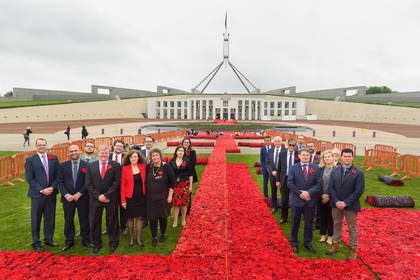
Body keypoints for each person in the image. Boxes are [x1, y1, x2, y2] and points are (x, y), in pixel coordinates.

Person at [326, 148, 365, 260]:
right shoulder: (335, 171)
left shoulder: (358, 173)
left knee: (352, 228)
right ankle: (336, 245)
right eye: (345, 156)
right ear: (341, 157)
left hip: (351, 205)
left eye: (349, 156)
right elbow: (331, 187)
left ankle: (353, 249)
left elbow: (359, 191)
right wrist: (337, 201)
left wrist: (346, 202)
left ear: (353, 157)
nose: (347, 158)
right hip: (336, 204)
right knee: (336, 225)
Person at [25, 138, 60, 252]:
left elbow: (57, 175)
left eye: (43, 145)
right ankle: (35, 242)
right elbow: (29, 178)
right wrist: (41, 190)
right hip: (37, 195)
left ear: (46, 146)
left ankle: (48, 239)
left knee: (50, 218)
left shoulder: (53, 158)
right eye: (39, 145)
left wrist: (52, 187)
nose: (42, 147)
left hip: (51, 193)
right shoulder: (30, 159)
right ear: (35, 146)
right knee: (36, 219)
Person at [85, 145, 121, 254]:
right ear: (98, 153)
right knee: (95, 222)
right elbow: (88, 183)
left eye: (106, 153)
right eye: (102, 153)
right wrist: (98, 196)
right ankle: (97, 243)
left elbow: (116, 182)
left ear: (109, 153)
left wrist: (106, 195)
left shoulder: (115, 165)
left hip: (111, 199)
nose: (104, 155)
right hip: (95, 199)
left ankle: (114, 242)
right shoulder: (91, 166)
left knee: (112, 221)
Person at [57, 145, 93, 251]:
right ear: (68, 153)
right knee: (68, 220)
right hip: (68, 199)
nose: (73, 153)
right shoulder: (62, 166)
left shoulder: (86, 165)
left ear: (80, 151)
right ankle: (69, 241)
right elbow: (60, 181)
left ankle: (86, 240)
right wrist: (66, 194)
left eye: (75, 151)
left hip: (82, 198)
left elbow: (88, 181)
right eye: (71, 151)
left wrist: (80, 193)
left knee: (84, 220)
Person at [287, 147, 322, 254]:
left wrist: (308, 193)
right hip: (297, 199)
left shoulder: (316, 168)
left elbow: (319, 184)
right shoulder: (293, 167)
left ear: (310, 156)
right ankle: (294, 242)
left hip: (310, 200)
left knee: (308, 223)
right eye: (303, 155)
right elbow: (290, 183)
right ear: (299, 156)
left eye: (307, 155)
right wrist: (301, 193)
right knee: (295, 222)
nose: (305, 157)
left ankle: (307, 243)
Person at [146, 148, 175, 247]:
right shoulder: (148, 167)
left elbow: (172, 181)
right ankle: (154, 237)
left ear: (160, 156)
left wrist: (170, 195)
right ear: (151, 157)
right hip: (151, 198)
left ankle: (163, 234)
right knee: (153, 219)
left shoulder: (166, 167)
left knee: (163, 217)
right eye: (153, 156)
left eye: (157, 155)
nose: (155, 157)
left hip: (164, 197)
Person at [120, 150, 147, 247]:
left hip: (141, 197)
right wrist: (123, 200)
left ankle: (138, 239)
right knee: (130, 218)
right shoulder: (125, 169)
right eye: (132, 157)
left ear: (138, 157)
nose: (134, 159)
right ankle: (131, 238)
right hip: (129, 198)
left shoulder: (143, 167)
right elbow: (122, 185)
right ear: (128, 158)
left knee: (139, 217)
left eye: (135, 157)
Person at [276, 138, 300, 224]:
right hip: (284, 180)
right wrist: (278, 180)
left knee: (295, 200)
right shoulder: (282, 154)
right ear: (287, 145)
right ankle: (284, 217)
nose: (291, 146)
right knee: (284, 200)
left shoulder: (299, 154)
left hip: (295, 181)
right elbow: (279, 169)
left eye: (293, 145)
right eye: (290, 145)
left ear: (296, 146)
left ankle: (295, 219)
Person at [170, 146, 193, 228]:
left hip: (185, 184)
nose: (180, 152)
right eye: (179, 150)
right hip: (175, 185)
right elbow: (170, 174)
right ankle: (175, 221)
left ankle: (183, 219)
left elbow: (190, 174)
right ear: (176, 152)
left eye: (182, 151)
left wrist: (190, 186)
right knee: (175, 203)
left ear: (184, 153)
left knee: (184, 203)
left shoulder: (187, 161)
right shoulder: (172, 161)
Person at [107, 139, 127, 236]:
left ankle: (123, 226)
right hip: (109, 188)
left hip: (123, 187)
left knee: (123, 208)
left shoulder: (126, 157)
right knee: (110, 209)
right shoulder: (108, 156)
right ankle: (110, 227)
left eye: (121, 146)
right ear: (113, 146)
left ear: (123, 148)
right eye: (117, 145)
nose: (119, 147)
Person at [317, 150, 336, 245]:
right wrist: (322, 195)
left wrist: (328, 196)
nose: (327, 158)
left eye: (329, 156)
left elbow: (337, 186)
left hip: (332, 198)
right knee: (322, 216)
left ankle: (330, 237)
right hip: (321, 197)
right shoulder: (319, 169)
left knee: (330, 217)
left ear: (333, 157)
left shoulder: (337, 169)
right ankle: (323, 235)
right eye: (325, 157)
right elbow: (316, 183)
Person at [265, 136, 286, 213]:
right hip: (272, 175)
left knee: (283, 192)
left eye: (278, 141)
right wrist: (272, 171)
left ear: (281, 142)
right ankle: (274, 206)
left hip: (282, 176)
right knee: (273, 191)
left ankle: (284, 206)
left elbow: (286, 163)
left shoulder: (285, 150)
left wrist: (279, 172)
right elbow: (267, 162)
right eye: (275, 141)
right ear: (273, 142)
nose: (277, 143)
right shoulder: (270, 150)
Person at [140, 135, 155, 228]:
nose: (148, 143)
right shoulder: (140, 153)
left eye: (150, 141)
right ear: (144, 143)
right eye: (147, 141)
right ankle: (144, 221)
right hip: (142, 182)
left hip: (154, 182)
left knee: (153, 203)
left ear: (153, 143)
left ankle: (154, 221)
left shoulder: (157, 152)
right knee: (143, 202)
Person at [182, 137, 198, 216]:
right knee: (179, 193)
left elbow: (193, 164)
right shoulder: (179, 151)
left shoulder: (192, 152)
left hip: (189, 175)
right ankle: (180, 212)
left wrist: (184, 169)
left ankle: (187, 211)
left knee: (188, 193)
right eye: (184, 142)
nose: (186, 144)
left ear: (189, 144)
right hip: (180, 175)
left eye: (187, 142)